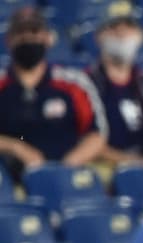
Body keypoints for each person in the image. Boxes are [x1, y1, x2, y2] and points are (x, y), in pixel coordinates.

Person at [0, 6, 107, 179]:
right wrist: (15, 147)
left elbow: (97, 134)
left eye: (35, 32)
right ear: (9, 40)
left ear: (48, 38)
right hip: (8, 181)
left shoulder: (74, 83)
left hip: (66, 175)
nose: (28, 38)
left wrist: (66, 167)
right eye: (21, 33)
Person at [87, 1, 143, 165]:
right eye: (113, 27)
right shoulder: (85, 84)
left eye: (129, 26)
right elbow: (82, 142)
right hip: (104, 168)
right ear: (98, 36)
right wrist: (132, 162)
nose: (122, 33)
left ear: (141, 36)